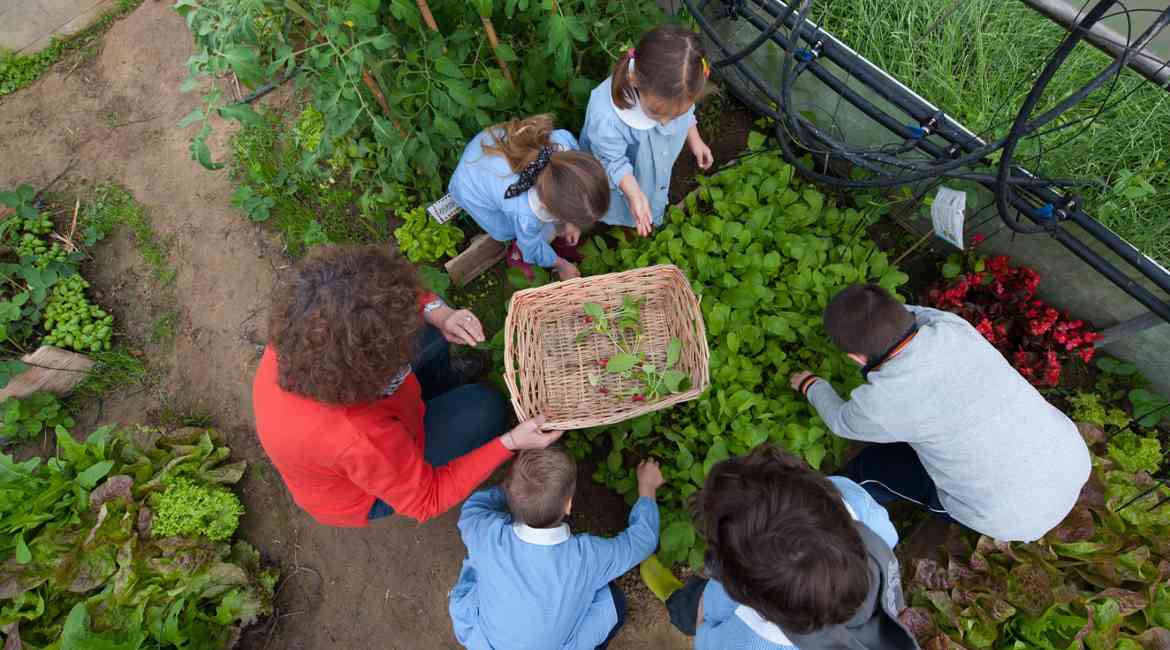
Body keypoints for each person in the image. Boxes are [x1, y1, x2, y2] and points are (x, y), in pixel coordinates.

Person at [251, 244, 563, 527]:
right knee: (488, 407)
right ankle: (449, 402)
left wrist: (439, 314)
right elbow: (427, 499)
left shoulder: (308, 331)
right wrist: (510, 442)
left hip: (378, 409)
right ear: (374, 372)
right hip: (365, 485)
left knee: (429, 334)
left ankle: (442, 386)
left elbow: (384, 296)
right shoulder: (360, 438)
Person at [790, 283, 1091, 542]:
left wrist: (810, 385)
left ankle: (835, 510)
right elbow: (916, 314)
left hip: (1011, 515)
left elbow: (841, 421)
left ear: (856, 358)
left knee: (873, 469)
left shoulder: (883, 401)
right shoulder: (952, 328)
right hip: (1070, 457)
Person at [666, 445, 918, 649]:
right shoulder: (857, 507)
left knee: (686, 606)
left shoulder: (750, 642)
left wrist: (704, 618)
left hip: (724, 616)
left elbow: (707, 633)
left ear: (744, 590)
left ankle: (675, 604)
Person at [449, 448, 664, 649]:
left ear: (512, 493)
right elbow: (642, 541)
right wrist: (647, 488)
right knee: (614, 601)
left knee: (479, 568)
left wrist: (509, 492)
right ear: (569, 505)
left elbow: (472, 509)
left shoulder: (488, 535)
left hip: (486, 642)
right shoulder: (586, 558)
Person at [580, 26, 714, 236]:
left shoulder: (676, 93)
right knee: (628, 211)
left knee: (645, 199)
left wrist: (695, 139)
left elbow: (687, 113)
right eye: (657, 113)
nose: (665, 123)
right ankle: (626, 230)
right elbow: (612, 161)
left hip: (649, 173)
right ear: (635, 80)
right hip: (625, 181)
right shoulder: (607, 118)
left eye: (676, 115)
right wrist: (633, 192)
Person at [449, 114, 610, 280]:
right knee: (511, 230)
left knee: (535, 227)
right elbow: (531, 245)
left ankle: (551, 237)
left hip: (490, 146)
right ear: (550, 207)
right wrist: (561, 264)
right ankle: (518, 252)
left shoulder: (562, 145)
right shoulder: (523, 212)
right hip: (470, 186)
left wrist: (570, 223)